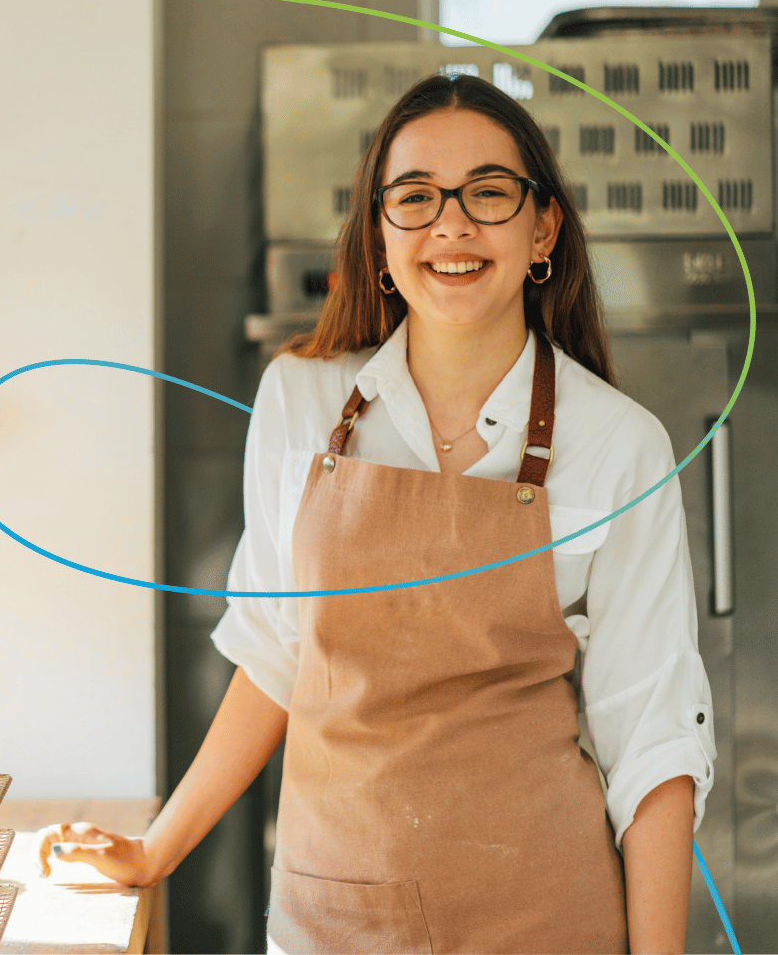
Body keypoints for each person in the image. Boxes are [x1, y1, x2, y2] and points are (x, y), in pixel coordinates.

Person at [35, 73, 716, 954]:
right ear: (380, 237)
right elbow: (275, 654)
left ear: (542, 226)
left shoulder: (621, 444)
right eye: (416, 197)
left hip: (547, 915)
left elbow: (653, 741)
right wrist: (155, 851)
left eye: (490, 192)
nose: (453, 224)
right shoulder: (299, 399)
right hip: (334, 917)